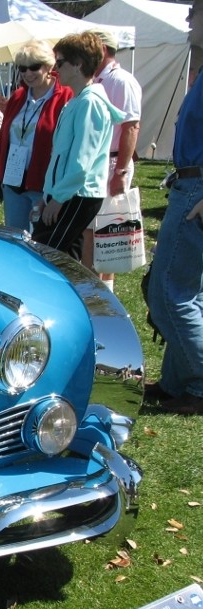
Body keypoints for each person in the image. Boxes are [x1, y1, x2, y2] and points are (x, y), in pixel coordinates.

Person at [144, 0, 203, 415]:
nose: (187, 18)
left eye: (195, 10)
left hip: (197, 190)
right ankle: (175, 382)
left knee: (170, 293)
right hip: (188, 185)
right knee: (180, 291)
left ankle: (199, 385)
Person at [31, 32, 122, 259]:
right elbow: (60, 157)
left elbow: (81, 161)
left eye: (60, 63)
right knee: (65, 260)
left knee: (45, 256)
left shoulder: (90, 103)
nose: (55, 70)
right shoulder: (77, 101)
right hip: (66, 192)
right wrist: (48, 195)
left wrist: (59, 199)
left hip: (77, 194)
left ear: (77, 64)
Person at [80, 28, 143, 291]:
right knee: (93, 232)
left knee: (103, 234)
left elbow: (131, 126)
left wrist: (120, 172)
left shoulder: (121, 81)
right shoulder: (99, 81)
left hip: (112, 163)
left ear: (102, 51)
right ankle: (96, 290)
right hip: (100, 164)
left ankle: (99, 293)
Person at [0, 41, 73, 231]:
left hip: (44, 187)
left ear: (49, 66)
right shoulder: (17, 97)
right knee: (15, 241)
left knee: (41, 245)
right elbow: (2, 143)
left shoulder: (66, 96)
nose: (28, 74)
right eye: (23, 68)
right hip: (13, 183)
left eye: (34, 67)